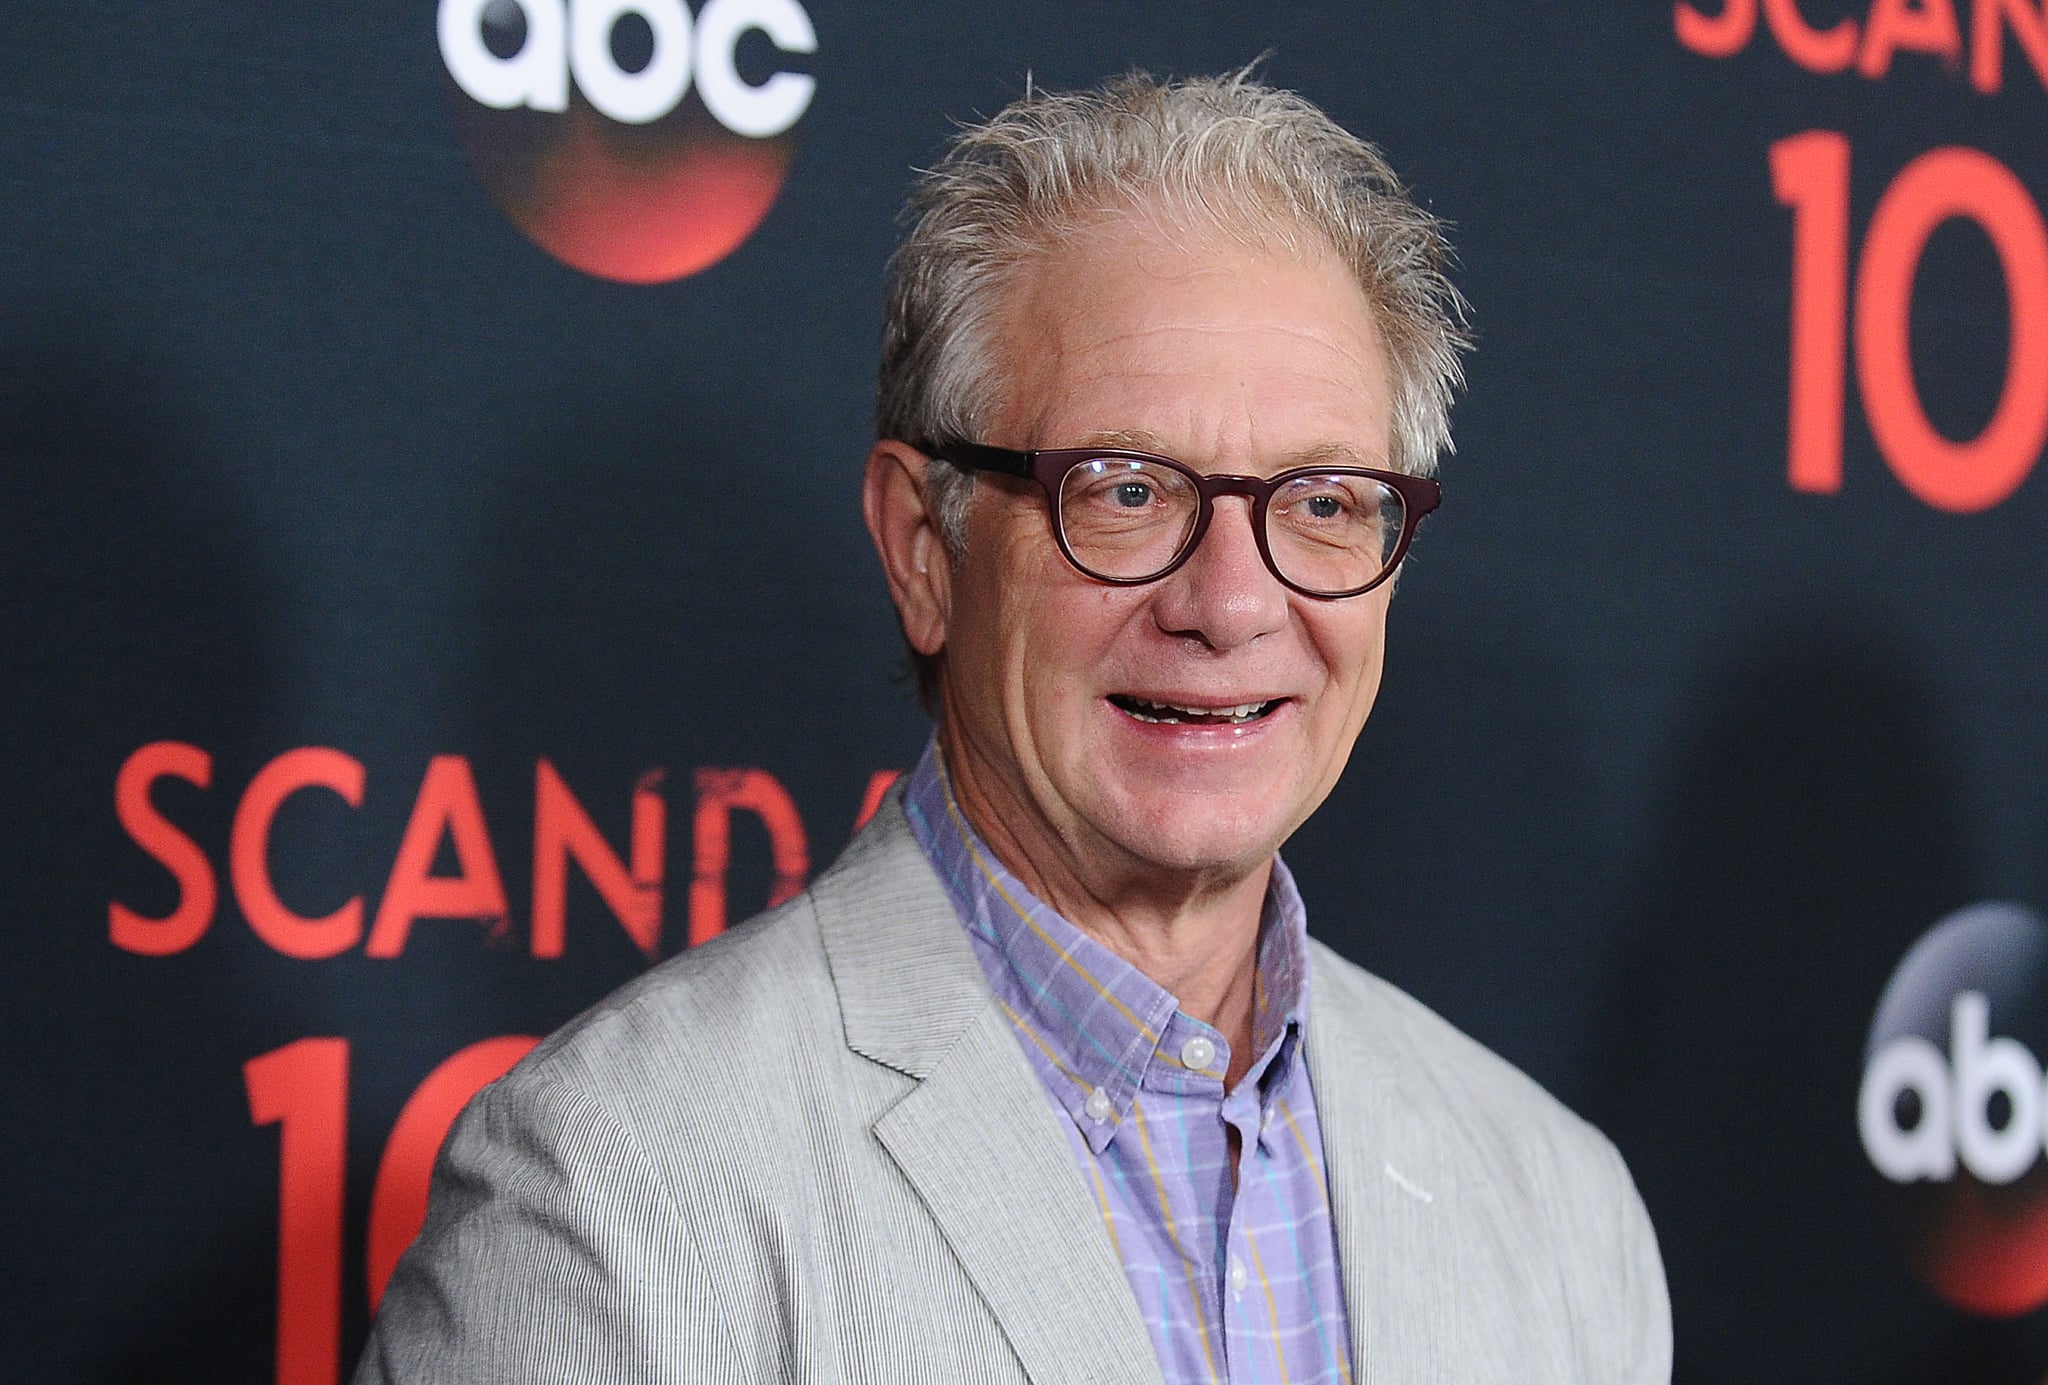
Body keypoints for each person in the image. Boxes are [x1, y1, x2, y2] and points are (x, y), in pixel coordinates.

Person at [356, 70, 1671, 1384]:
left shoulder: (1558, 1207)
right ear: (927, 549)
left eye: (1324, 502)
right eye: (1127, 490)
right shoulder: (608, 1194)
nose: (1229, 603)